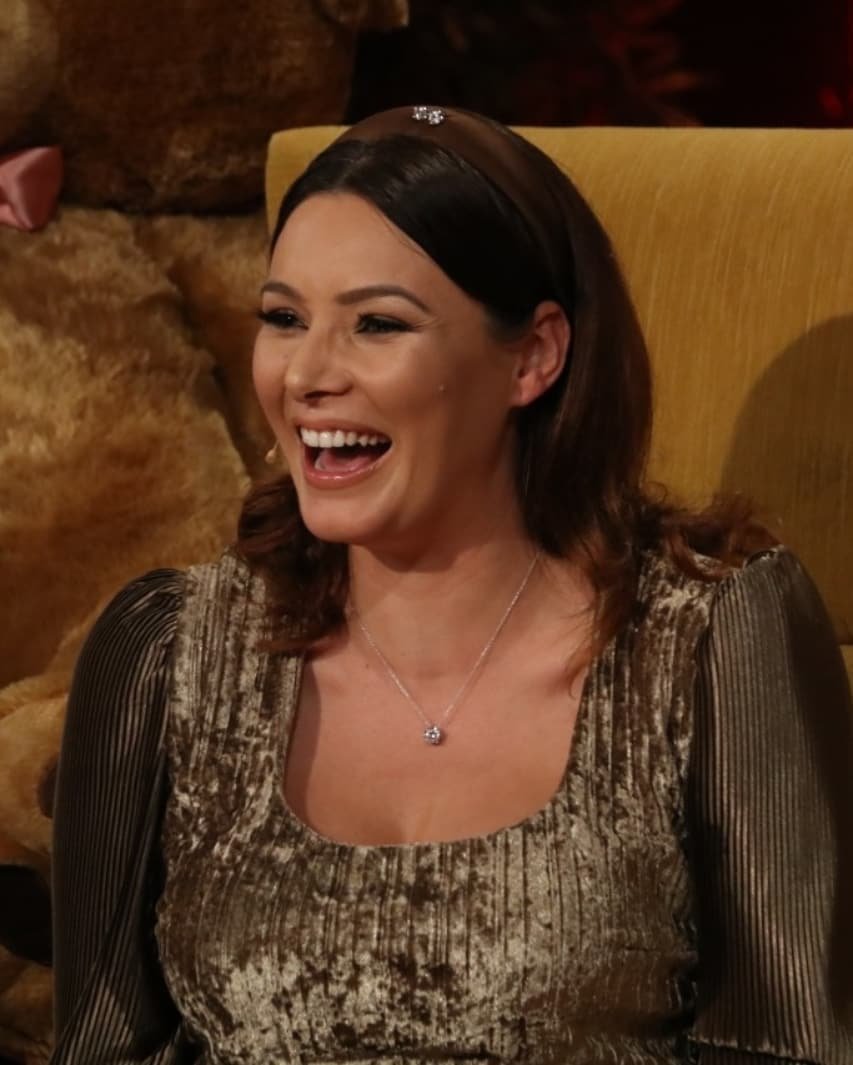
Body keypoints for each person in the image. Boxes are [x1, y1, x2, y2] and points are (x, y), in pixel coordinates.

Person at [49, 106, 853, 1064]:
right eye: (283, 318)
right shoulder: (165, 651)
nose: (305, 373)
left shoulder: (713, 637)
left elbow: (785, 1045)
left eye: (377, 324)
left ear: (534, 355)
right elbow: (102, 1047)